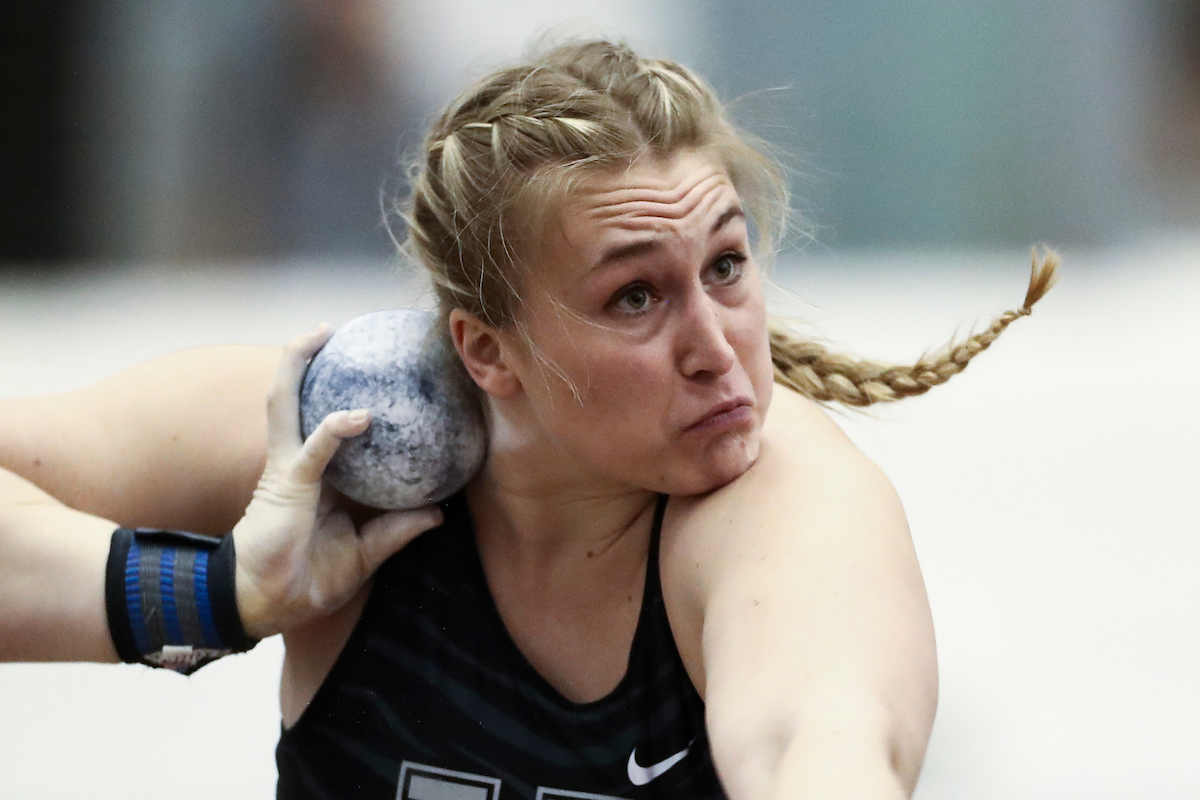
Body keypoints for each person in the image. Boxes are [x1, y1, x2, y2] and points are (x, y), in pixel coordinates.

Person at [0, 39, 1056, 800]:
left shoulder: (777, 498)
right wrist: (222, 589)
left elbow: (816, 742)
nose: (715, 342)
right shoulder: (338, 436)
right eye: (635, 296)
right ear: (485, 349)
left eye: (726, 265)